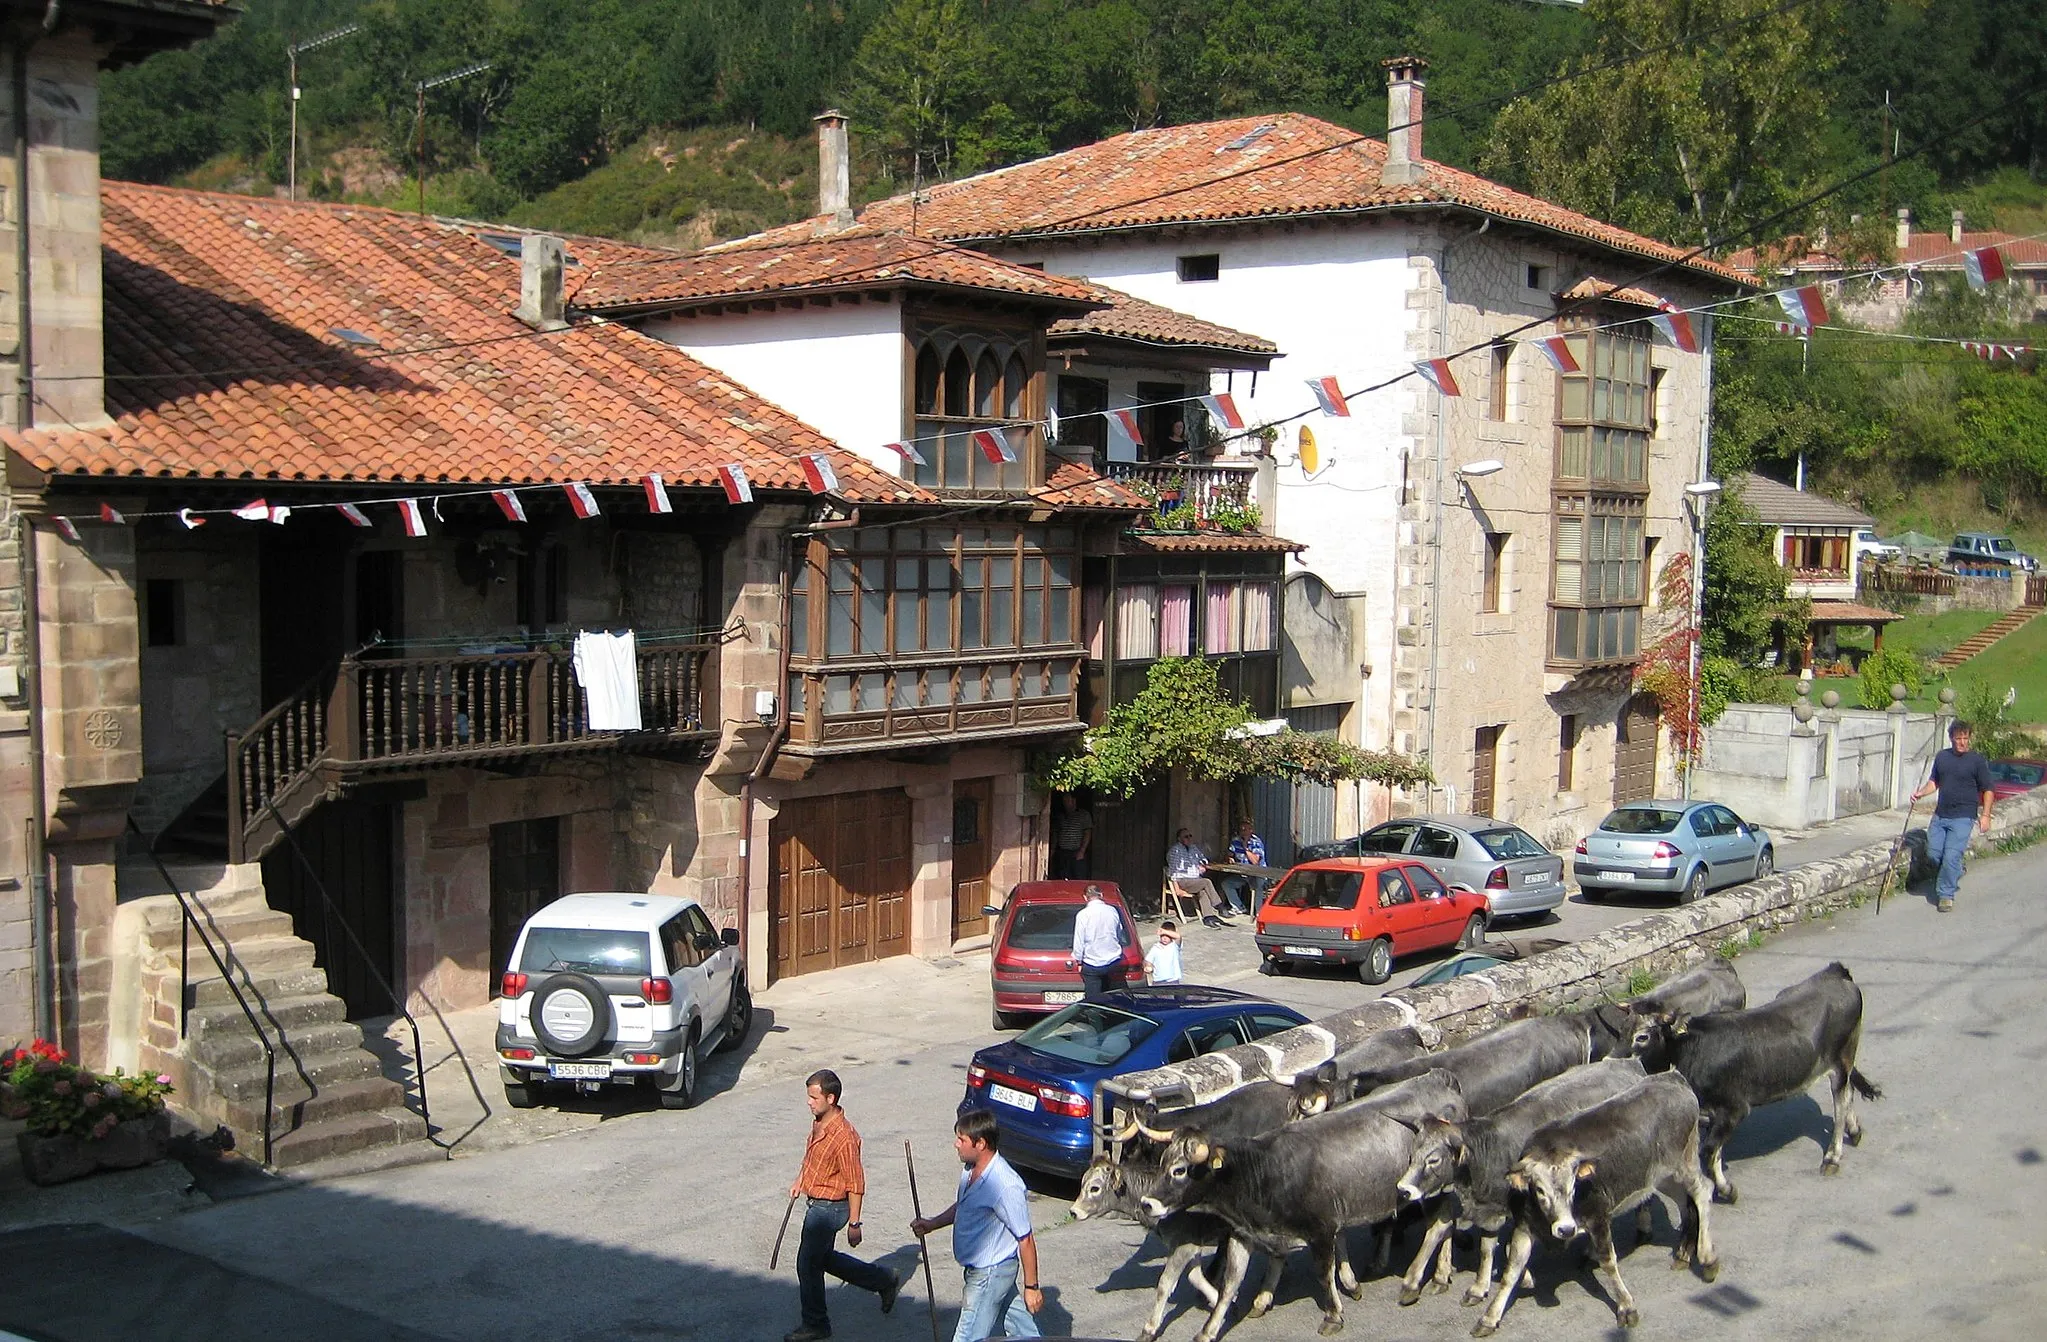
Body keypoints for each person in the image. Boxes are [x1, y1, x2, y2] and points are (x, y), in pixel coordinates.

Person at [786, 1069, 899, 1342]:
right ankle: (883, 1280)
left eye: (814, 1097)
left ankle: (816, 1324)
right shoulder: (819, 1121)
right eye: (809, 1096)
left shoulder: (845, 1137)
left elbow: (855, 1182)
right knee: (822, 1259)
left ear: (831, 1098)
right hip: (817, 1200)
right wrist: (800, 1179)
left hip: (829, 1209)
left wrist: (855, 1223)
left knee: (807, 1264)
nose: (809, 1102)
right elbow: (812, 1157)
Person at [911, 1109, 1043, 1341]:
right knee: (1022, 1330)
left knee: (968, 1336)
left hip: (990, 1273)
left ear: (980, 1143)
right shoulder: (971, 1170)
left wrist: (1031, 1287)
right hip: (986, 1272)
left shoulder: (1005, 1185)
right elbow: (964, 1206)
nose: (956, 1144)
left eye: (961, 1139)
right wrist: (932, 1224)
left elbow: (1026, 1239)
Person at [1912, 718, 1996, 913]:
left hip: (1963, 817)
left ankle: (1945, 895)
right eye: (1959, 738)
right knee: (1933, 854)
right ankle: (1957, 870)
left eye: (1966, 738)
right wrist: (1921, 793)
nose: (1963, 742)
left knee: (1950, 857)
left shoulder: (1976, 761)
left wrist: (1986, 815)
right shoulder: (1942, 757)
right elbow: (1935, 782)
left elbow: (1988, 789)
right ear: (1951, 738)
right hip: (1941, 815)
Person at [1067, 884, 1126, 1000]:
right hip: (1112, 961)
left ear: (1085, 897)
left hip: (1092, 962)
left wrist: (1078, 960)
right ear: (1101, 895)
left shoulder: (1083, 915)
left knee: (1093, 1000)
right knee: (1112, 997)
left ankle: (1095, 1016)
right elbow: (1119, 932)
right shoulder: (1112, 911)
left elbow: (1079, 940)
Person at [1166, 828, 1232, 929]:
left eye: (1190, 836)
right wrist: (1177, 888)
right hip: (1183, 881)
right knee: (1206, 882)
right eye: (1186, 837)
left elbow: (1203, 858)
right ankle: (1219, 906)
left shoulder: (1193, 848)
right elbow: (1173, 871)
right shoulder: (1175, 851)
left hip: (1195, 880)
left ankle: (1208, 918)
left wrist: (1202, 865)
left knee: (1203, 891)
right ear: (1179, 839)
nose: (1189, 839)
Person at [1221, 818, 1268, 916]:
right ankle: (1238, 907)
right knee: (1226, 884)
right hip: (1243, 874)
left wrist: (1245, 846)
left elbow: (1255, 861)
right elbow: (1229, 854)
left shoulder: (1256, 842)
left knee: (1258, 886)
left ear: (1251, 830)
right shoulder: (1235, 840)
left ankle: (1259, 912)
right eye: (1241, 830)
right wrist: (1230, 858)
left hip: (1258, 873)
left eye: (1245, 830)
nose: (1243, 832)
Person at [1048, 792, 1093, 879]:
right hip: (1063, 853)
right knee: (1063, 877)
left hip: (1076, 852)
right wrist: (1052, 850)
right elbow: (1056, 834)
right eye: (1064, 801)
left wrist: (1082, 851)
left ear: (1073, 800)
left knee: (1078, 877)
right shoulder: (1061, 816)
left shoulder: (1083, 815)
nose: (1065, 803)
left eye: (1067, 800)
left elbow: (1087, 833)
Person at [1144, 920, 1183, 985]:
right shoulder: (1156, 947)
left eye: (1167, 936)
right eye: (1162, 936)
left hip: (1172, 980)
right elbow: (1148, 960)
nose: (1164, 938)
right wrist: (1148, 966)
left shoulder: (1174, 946)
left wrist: (1163, 931)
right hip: (1158, 981)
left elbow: (1178, 936)